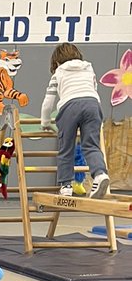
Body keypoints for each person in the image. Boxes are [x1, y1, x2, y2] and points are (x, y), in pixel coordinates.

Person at [40, 43, 110, 199]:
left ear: (57, 62)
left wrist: (45, 122)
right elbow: (94, 91)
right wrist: (98, 121)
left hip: (69, 107)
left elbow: (48, 103)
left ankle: (66, 186)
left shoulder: (58, 73)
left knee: (66, 148)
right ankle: (100, 174)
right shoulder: (89, 69)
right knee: (91, 146)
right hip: (93, 105)